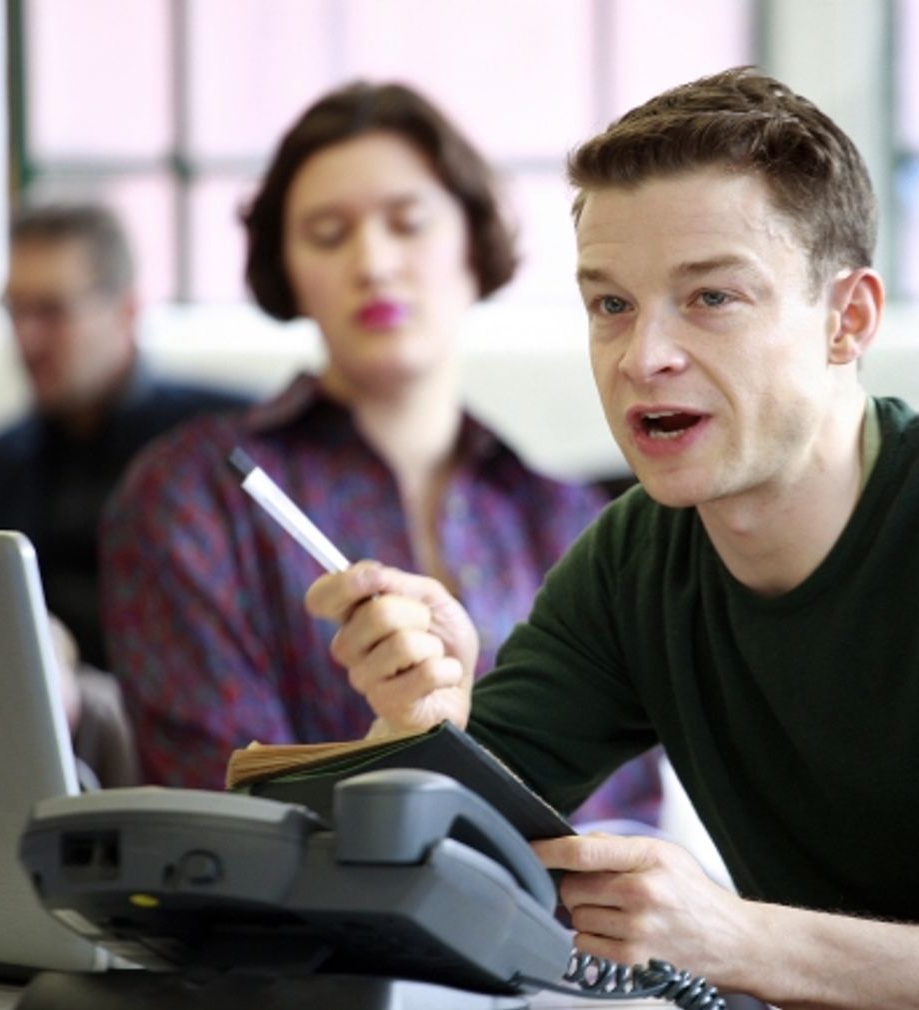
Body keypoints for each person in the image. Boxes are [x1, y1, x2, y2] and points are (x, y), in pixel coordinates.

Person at [306, 68, 919, 1008]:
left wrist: (738, 939)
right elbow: (443, 842)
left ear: (846, 318)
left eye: (710, 297)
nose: (641, 355)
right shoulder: (634, 559)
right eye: (609, 302)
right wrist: (418, 723)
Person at [98, 81, 662, 829]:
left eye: (409, 222)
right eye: (328, 234)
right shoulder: (191, 495)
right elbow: (218, 803)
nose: (374, 261)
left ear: (473, 240)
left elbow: (624, 813)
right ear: (288, 271)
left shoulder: (565, 516)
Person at [0, 204, 253, 672]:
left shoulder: (226, 442)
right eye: (16, 311)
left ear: (127, 310)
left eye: (51, 312)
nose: (26, 340)